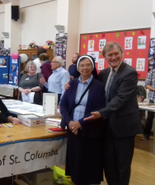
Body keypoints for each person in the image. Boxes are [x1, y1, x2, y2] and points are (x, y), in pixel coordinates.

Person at [84, 42, 142, 185]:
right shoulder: (103, 73)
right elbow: (90, 85)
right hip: (106, 126)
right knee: (108, 162)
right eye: (110, 55)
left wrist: (101, 113)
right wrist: (71, 84)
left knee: (122, 164)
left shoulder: (129, 72)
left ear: (122, 54)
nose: (113, 57)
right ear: (105, 57)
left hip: (124, 126)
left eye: (116, 54)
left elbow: (120, 98)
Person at [60, 55, 105, 185]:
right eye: (82, 65)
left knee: (90, 164)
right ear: (78, 67)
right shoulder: (71, 84)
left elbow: (100, 107)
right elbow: (63, 105)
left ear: (92, 67)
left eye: (88, 65)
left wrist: (80, 122)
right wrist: (70, 123)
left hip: (90, 130)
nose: (85, 68)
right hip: (73, 129)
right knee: (76, 164)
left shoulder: (99, 86)